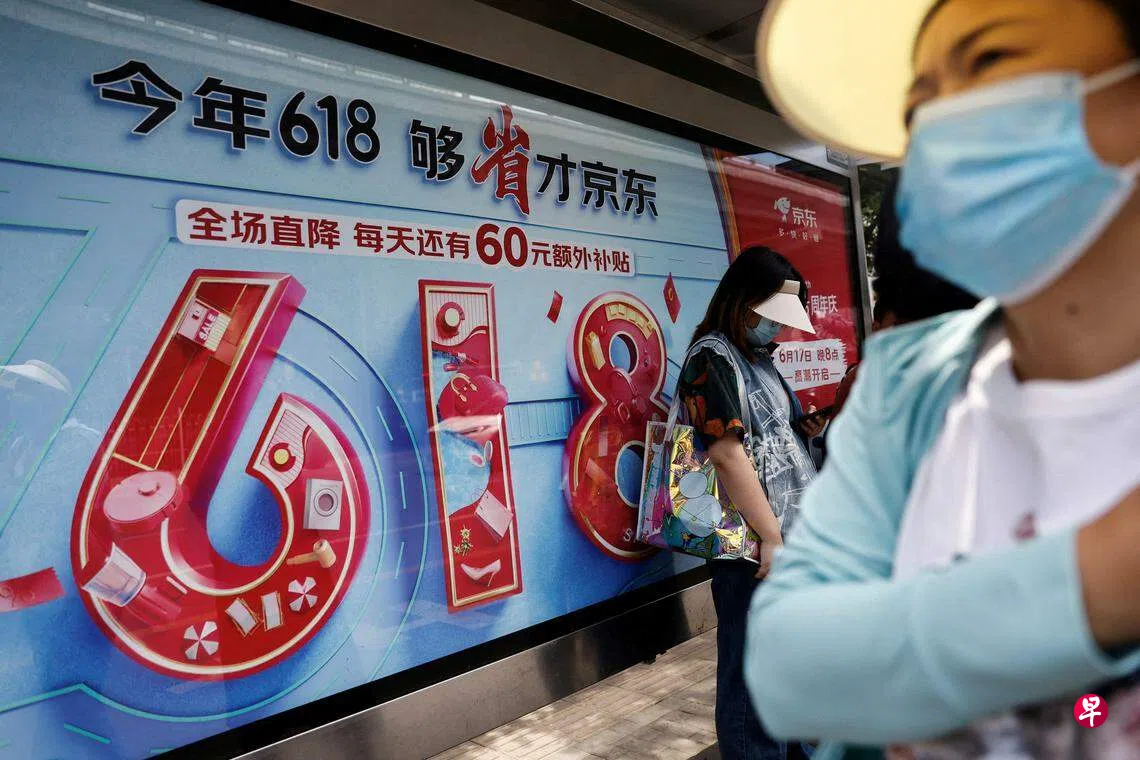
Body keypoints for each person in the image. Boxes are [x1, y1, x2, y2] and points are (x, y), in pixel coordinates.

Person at [745, 0, 1140, 757]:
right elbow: (790, 667)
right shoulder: (912, 386)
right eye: (917, 111)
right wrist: (1103, 579)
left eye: (990, 61)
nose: (940, 129)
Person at [676, 246, 820, 760]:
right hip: (753, 547)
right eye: (772, 314)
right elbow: (725, 452)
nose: (777, 327)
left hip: (781, 541)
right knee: (751, 678)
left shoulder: (756, 359)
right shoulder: (711, 356)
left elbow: (771, 436)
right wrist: (772, 537)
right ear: (743, 301)